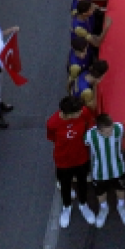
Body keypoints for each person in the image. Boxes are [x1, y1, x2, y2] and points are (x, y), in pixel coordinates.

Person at [47, 96, 98, 228]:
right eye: (77, 112)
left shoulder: (84, 112)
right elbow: (52, 137)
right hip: (63, 160)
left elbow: (90, 124)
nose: (81, 112)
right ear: (67, 114)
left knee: (82, 182)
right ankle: (67, 207)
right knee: (65, 185)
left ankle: (83, 204)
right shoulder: (53, 123)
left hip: (81, 157)